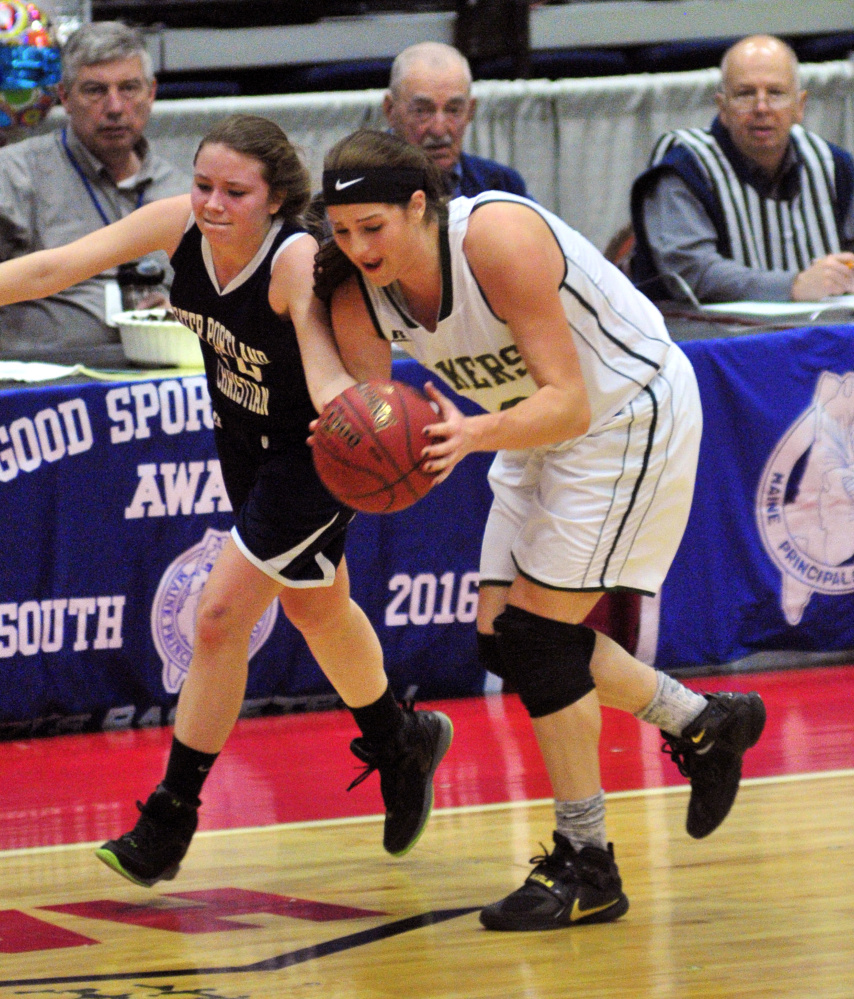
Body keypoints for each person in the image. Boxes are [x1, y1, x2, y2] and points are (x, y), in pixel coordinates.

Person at [313, 128, 766, 932]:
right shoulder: (356, 281)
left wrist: (466, 437)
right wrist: (366, 444)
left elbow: (570, 400)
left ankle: (587, 860)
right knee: (505, 640)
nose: (359, 248)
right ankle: (704, 723)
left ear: (421, 205)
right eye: (343, 232)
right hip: (528, 426)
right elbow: (371, 407)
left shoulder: (496, 237)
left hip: (624, 412)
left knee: (538, 638)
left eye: (374, 227)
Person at [0, 114, 452, 887]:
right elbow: (54, 268)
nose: (211, 202)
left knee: (217, 618)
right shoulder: (180, 224)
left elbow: (322, 366)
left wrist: (365, 422)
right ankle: (399, 738)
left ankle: (170, 816)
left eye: (234, 191)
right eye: (203, 183)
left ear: (275, 199)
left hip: (315, 453)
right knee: (317, 608)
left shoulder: (295, 259)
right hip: (244, 442)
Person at [0, 21, 190, 363]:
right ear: (64, 97)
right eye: (95, 90)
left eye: (129, 88)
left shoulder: (180, 190)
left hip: (158, 376)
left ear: (151, 93)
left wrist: (182, 315)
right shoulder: (14, 175)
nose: (115, 107)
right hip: (40, 383)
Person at [630, 35, 854, 304]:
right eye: (745, 94)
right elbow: (692, 272)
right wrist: (793, 285)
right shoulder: (683, 170)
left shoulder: (834, 165)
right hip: (711, 342)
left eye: (776, 93)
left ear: (800, 106)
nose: (762, 107)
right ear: (722, 108)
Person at [383, 41, 529, 199]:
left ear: (470, 110)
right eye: (422, 111)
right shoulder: (362, 186)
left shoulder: (503, 187)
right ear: (390, 110)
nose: (439, 130)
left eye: (453, 110)